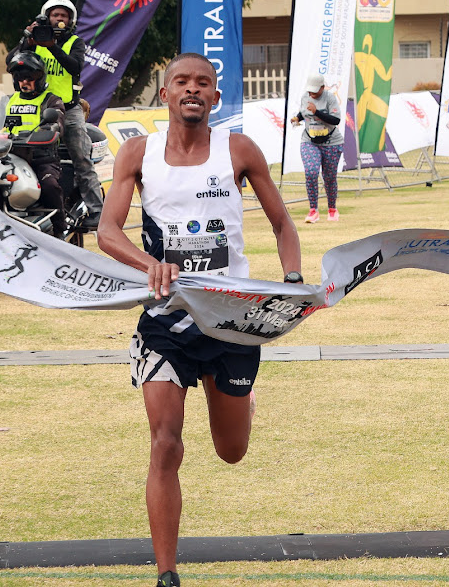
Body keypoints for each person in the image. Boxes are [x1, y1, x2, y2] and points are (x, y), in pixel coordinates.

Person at [97, 52, 302, 587]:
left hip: (232, 320)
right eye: (182, 82)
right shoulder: (138, 154)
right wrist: (152, 265)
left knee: (231, 452)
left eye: (204, 83)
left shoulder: (238, 150)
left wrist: (293, 278)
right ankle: (167, 573)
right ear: (164, 94)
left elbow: (282, 223)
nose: (193, 89)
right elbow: (108, 233)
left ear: (215, 96)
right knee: (166, 441)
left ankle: (242, 398)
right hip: (166, 321)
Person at [6, 0, 103, 229]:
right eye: (55, 15)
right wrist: (27, 38)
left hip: (69, 110)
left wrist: (52, 46)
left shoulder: (75, 42)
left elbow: (75, 67)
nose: (60, 19)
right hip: (36, 108)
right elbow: (12, 61)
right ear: (46, 17)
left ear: (71, 20)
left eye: (64, 15)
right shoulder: (35, 41)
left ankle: (98, 212)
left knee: (81, 159)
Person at [6, 52, 66, 238]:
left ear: (39, 78)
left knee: (49, 185)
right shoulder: (8, 100)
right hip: (10, 158)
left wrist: (50, 128)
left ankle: (60, 228)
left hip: (42, 157)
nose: (24, 82)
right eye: (20, 78)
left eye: (29, 78)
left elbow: (58, 123)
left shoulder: (51, 100)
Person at [290, 73, 343, 223]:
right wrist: (297, 118)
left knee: (329, 177)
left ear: (322, 87)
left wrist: (317, 112)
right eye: (310, 90)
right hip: (309, 141)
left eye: (315, 90)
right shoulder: (305, 97)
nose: (312, 93)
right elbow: (303, 112)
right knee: (311, 171)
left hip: (331, 143)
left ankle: (332, 209)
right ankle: (313, 210)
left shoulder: (330, 98)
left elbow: (336, 119)